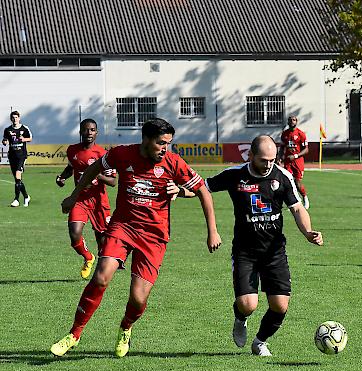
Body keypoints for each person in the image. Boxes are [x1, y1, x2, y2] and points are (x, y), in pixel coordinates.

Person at [50, 118, 221, 358]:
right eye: (161, 143)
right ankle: (74, 334)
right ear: (146, 140)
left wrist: (211, 229)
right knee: (101, 277)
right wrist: (74, 195)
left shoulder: (173, 162)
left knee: (138, 299)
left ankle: (126, 327)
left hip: (154, 237)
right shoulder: (122, 154)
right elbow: (94, 168)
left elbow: (201, 190)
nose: (165, 148)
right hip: (123, 227)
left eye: (169, 143)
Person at [180, 135, 322, 356]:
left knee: (280, 306)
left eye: (273, 160)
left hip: (274, 251)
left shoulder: (282, 176)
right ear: (251, 155)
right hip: (245, 251)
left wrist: (307, 233)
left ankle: (260, 342)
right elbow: (203, 187)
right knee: (248, 305)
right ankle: (240, 317)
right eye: (264, 160)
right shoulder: (235, 175)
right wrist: (179, 191)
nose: (268, 165)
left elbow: (296, 208)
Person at [56, 119, 117, 279]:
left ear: (97, 133)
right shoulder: (72, 150)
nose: (89, 133)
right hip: (79, 199)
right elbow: (71, 167)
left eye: (92, 130)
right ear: (80, 132)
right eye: (86, 130)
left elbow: (113, 182)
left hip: (99, 201)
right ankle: (88, 257)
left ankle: (101, 270)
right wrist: (62, 177)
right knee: (74, 233)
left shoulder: (103, 155)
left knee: (102, 240)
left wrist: (96, 174)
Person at [279, 115, 310, 208]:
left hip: (298, 162)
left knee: (297, 182)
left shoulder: (301, 134)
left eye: (294, 120)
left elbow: (306, 149)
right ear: (288, 122)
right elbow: (282, 147)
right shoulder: (285, 134)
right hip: (288, 161)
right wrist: (279, 158)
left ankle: (305, 197)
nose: (292, 121)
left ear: (296, 121)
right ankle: (293, 202)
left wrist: (296, 155)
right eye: (290, 120)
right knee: (288, 181)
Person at [2, 111, 32, 207]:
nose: (15, 119)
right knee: (17, 179)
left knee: (18, 175)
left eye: (16, 117)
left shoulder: (24, 128)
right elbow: (5, 139)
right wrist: (4, 142)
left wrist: (24, 139)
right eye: (13, 117)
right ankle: (26, 196)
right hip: (12, 156)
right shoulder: (8, 130)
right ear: (11, 119)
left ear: (19, 118)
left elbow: (30, 138)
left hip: (21, 156)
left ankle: (16, 199)